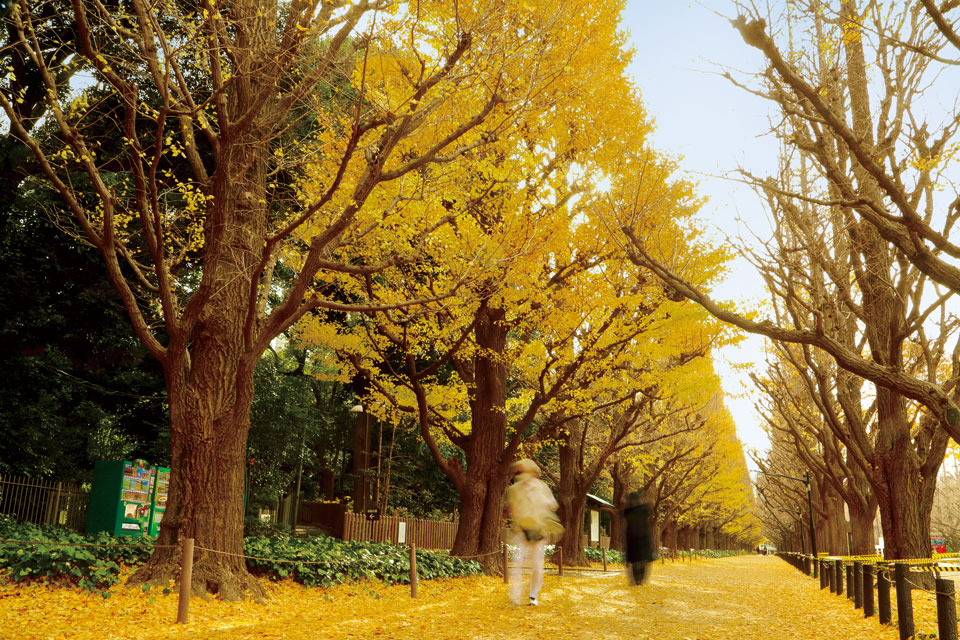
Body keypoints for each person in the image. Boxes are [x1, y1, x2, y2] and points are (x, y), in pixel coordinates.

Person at [505, 458, 561, 606]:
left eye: (526, 470)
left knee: (537, 566)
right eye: (520, 470)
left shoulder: (542, 488)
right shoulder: (514, 489)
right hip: (521, 531)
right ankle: (515, 596)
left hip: (539, 532)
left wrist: (545, 513)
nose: (523, 473)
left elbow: (552, 506)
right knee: (517, 563)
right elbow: (511, 509)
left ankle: (533, 596)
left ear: (533, 472)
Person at [622, 491, 654, 586]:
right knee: (639, 560)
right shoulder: (642, 509)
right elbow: (650, 512)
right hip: (639, 537)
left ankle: (638, 580)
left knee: (637, 560)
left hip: (635, 537)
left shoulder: (629, 510)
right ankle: (639, 580)